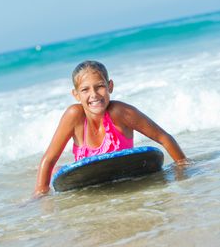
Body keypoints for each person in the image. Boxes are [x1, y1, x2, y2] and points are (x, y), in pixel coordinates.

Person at [34, 60, 188, 197]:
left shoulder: (120, 112)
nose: (94, 95)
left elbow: (163, 137)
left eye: (100, 86)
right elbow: (49, 159)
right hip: (90, 182)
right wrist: (40, 193)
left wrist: (183, 165)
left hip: (124, 176)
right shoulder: (74, 115)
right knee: (57, 170)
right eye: (85, 90)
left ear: (110, 86)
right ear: (76, 95)